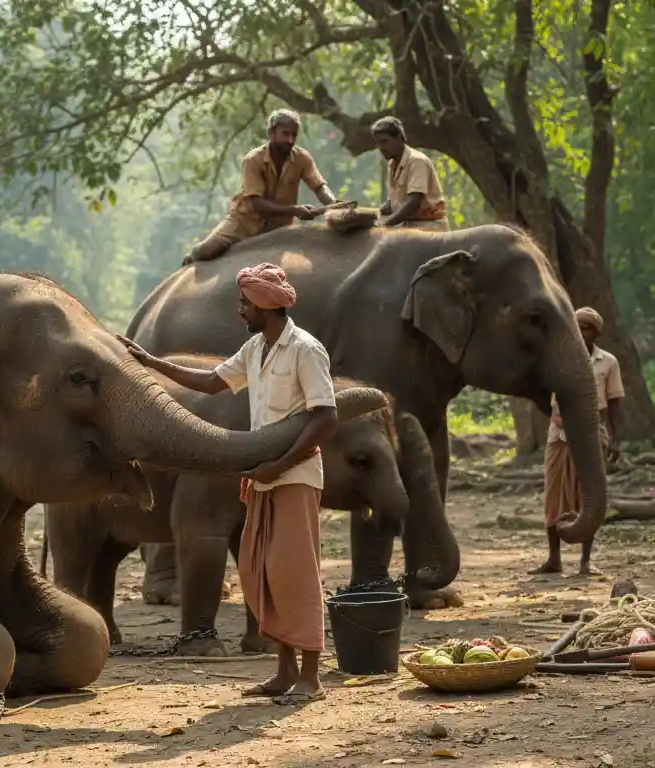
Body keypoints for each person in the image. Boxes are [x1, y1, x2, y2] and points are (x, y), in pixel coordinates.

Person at [118, 263, 336, 704]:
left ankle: (311, 676)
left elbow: (325, 416)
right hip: (261, 477)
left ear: (265, 306)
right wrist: (148, 362)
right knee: (261, 571)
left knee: (295, 573)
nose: (240, 310)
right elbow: (210, 382)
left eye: (244, 303)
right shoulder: (256, 348)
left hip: (294, 477)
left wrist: (281, 464)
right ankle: (283, 671)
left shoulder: (305, 350)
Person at [534, 306, 624, 576]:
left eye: (587, 328)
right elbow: (540, 391)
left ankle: (586, 560)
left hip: (592, 431)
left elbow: (616, 402)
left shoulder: (607, 362)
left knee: (589, 494)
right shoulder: (558, 357)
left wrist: (616, 439)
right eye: (578, 326)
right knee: (554, 494)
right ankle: (554, 558)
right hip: (559, 433)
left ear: (596, 332)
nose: (581, 332)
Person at [183, 110, 338, 265]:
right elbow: (257, 204)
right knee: (205, 250)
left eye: (294, 135)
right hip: (243, 223)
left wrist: (333, 205)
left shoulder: (302, 158)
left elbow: (319, 186)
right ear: (271, 133)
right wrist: (294, 210)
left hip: (278, 228)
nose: (290, 140)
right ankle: (186, 269)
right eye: (285, 134)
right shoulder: (253, 160)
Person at [371, 116, 450, 231]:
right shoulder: (393, 164)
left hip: (428, 227)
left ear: (399, 138)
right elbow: (397, 201)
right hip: (409, 227)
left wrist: (385, 224)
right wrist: (376, 214)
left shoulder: (416, 161)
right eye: (378, 143)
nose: (381, 148)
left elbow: (413, 203)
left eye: (384, 141)